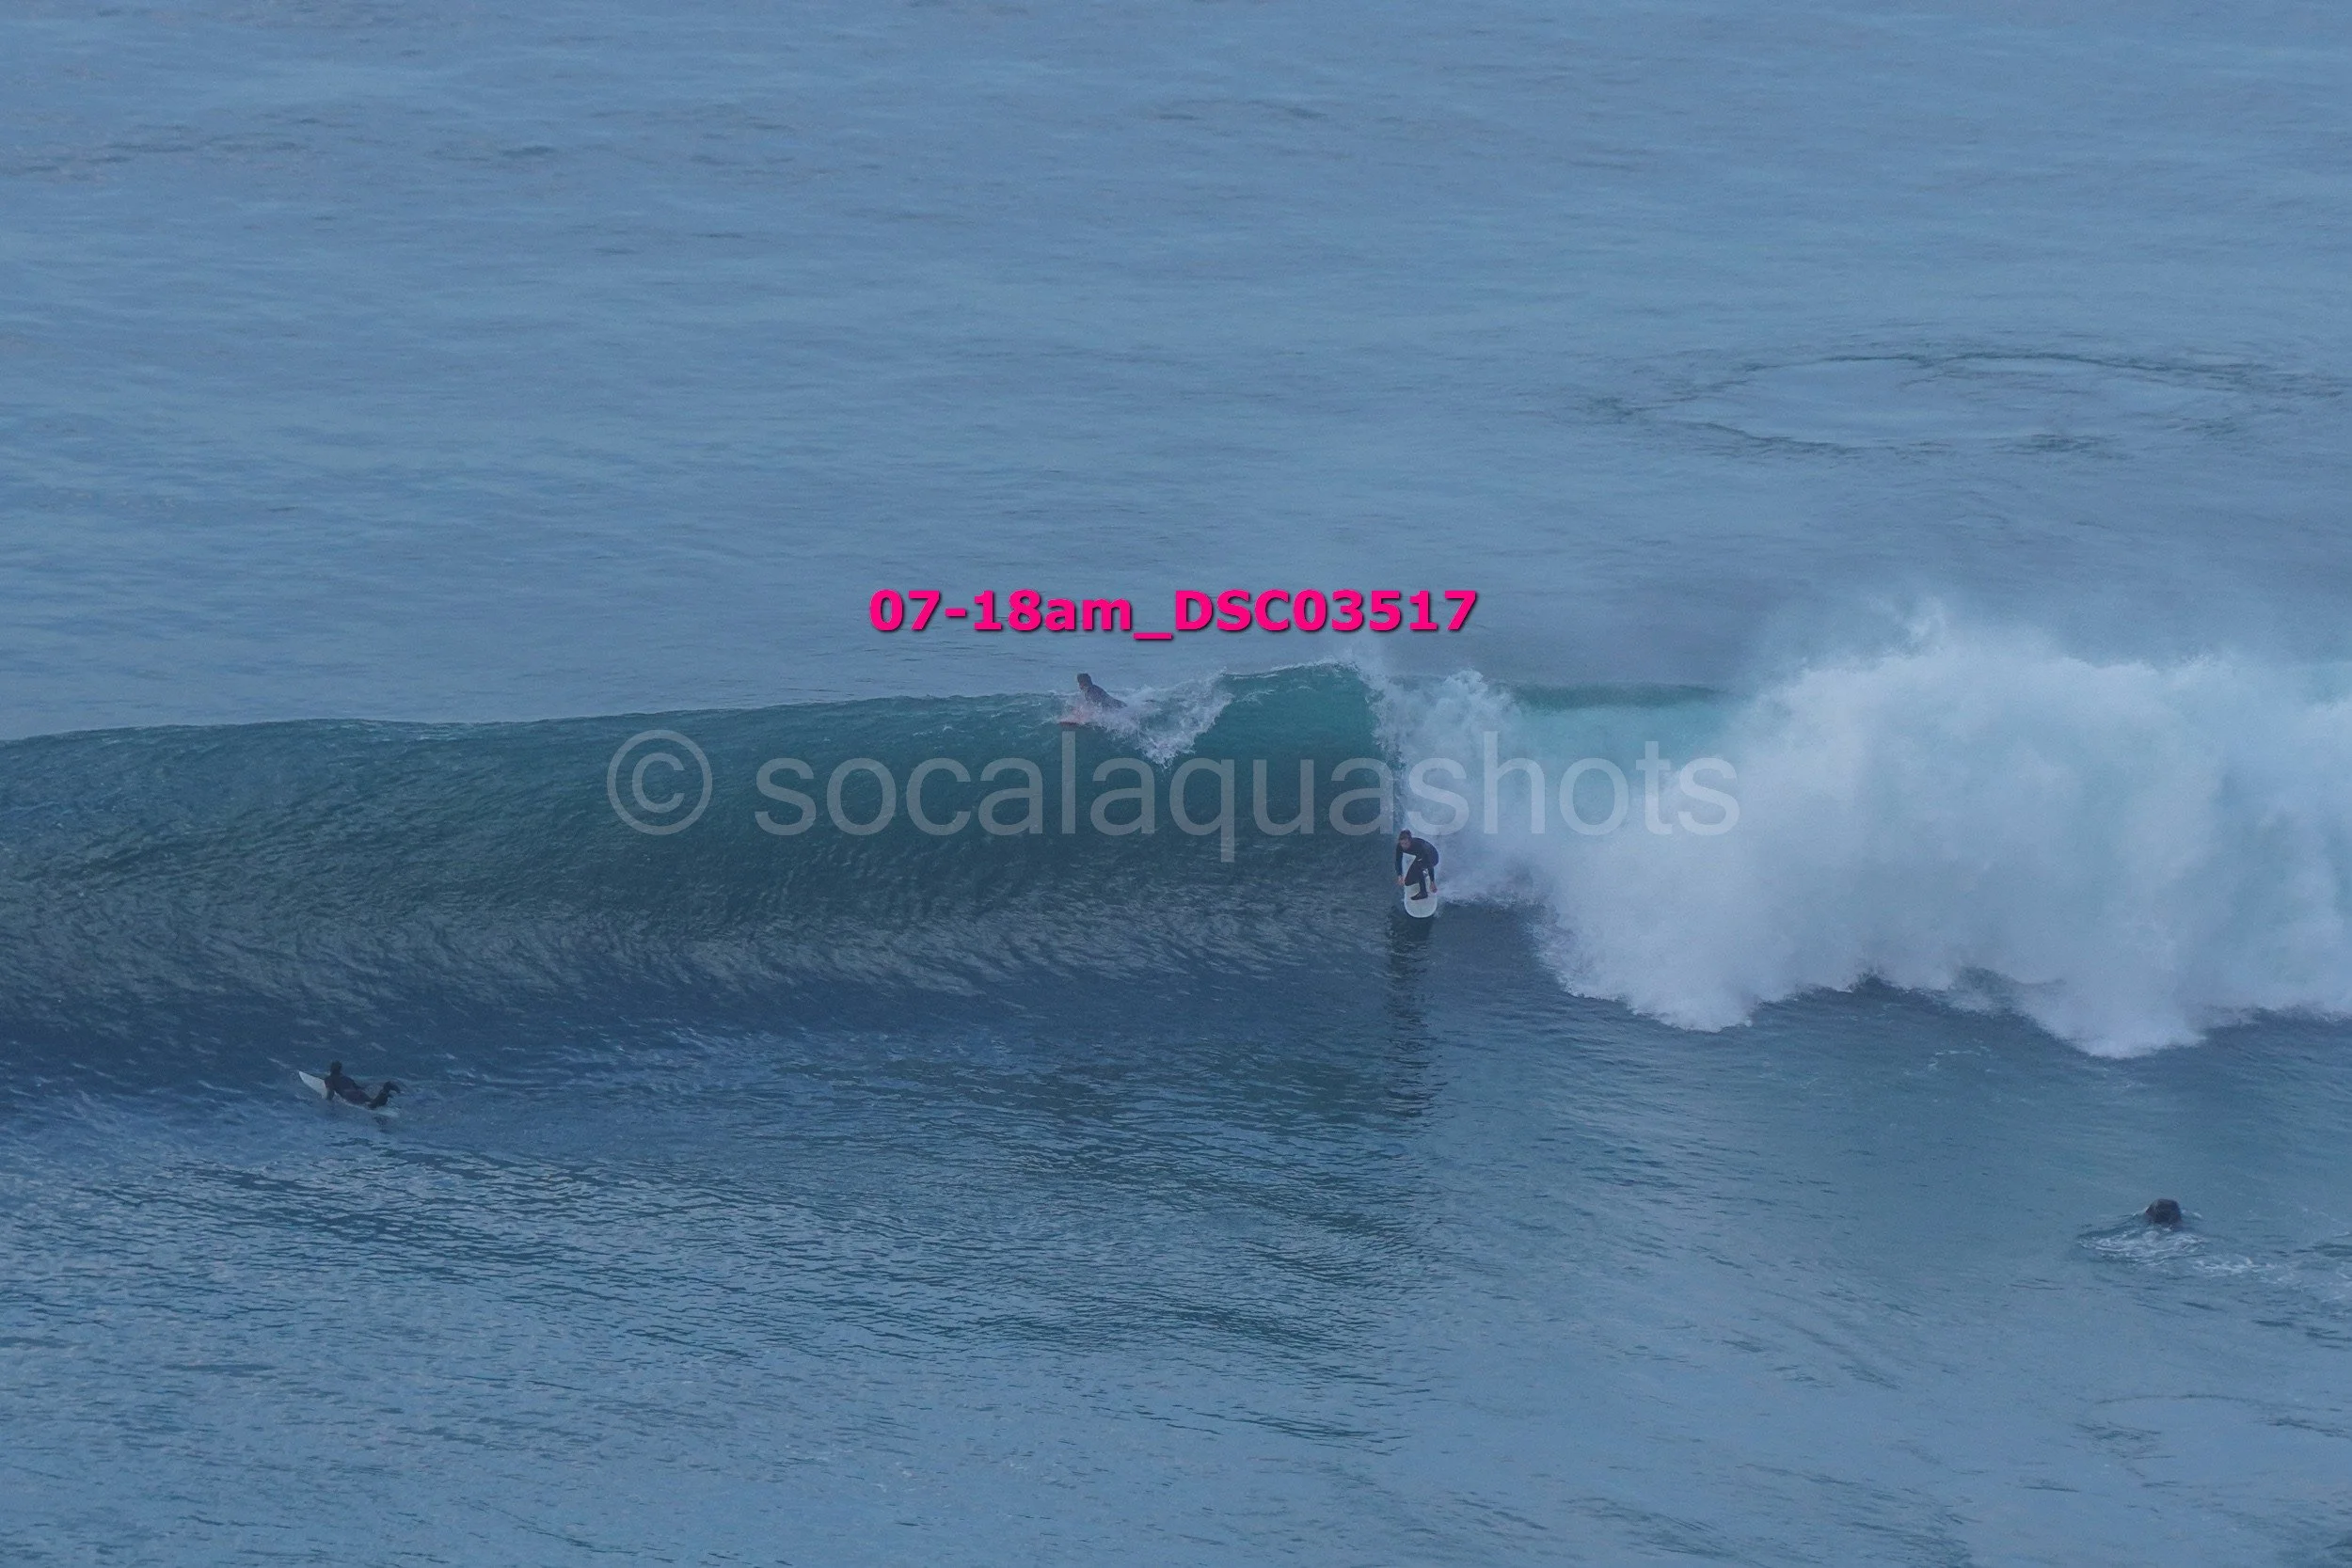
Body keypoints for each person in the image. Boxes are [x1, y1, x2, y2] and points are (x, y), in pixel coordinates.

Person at [322, 1060, 400, 1110]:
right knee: (374, 1102)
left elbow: (331, 1092)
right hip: (359, 1092)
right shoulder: (347, 1078)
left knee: (371, 1106)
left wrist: (328, 1102)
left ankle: (384, 1091)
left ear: (331, 1069)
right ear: (340, 1069)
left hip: (349, 1095)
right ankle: (385, 1090)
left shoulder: (329, 1078)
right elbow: (359, 1087)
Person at [1394, 830, 1439, 900]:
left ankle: (1423, 893)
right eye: (1402, 843)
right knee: (1408, 882)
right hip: (1421, 858)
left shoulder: (1419, 846)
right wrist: (1399, 875)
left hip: (1433, 857)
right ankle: (1424, 874)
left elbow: (1430, 864)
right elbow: (1398, 861)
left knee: (1417, 866)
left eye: (1406, 843)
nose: (1404, 846)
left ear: (1410, 841)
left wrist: (1432, 882)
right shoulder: (1400, 846)